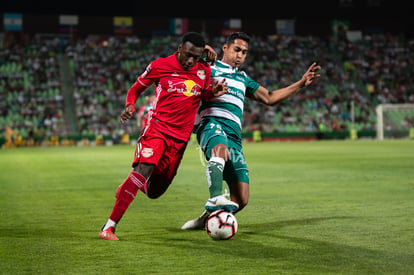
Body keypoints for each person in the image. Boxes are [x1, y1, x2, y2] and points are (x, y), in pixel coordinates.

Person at [181, 32, 321, 230]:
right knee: (219, 148)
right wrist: (201, 50)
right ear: (225, 48)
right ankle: (214, 198)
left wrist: (300, 83)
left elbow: (270, 98)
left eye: (244, 52)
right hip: (211, 123)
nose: (240, 55)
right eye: (237, 50)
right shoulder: (208, 68)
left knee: (242, 199)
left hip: (234, 136)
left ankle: (205, 219)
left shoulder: (243, 79)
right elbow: (181, 61)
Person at [99, 32, 227, 240]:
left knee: (155, 191)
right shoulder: (160, 66)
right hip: (157, 128)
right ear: (179, 49)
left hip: (180, 139)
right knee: (144, 169)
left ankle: (128, 186)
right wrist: (130, 106)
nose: (190, 61)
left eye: (195, 57)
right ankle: (109, 227)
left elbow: (198, 94)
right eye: (187, 55)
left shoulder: (203, 70)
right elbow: (135, 89)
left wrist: (213, 92)